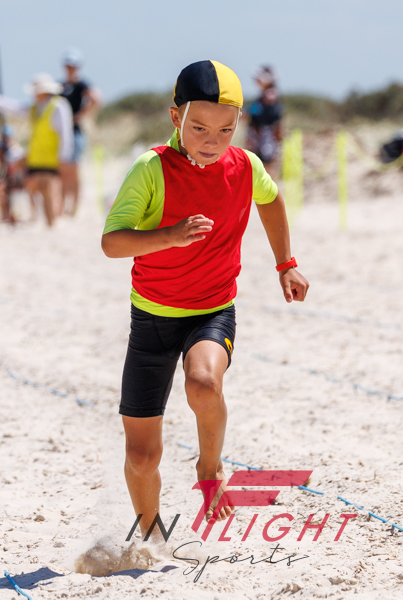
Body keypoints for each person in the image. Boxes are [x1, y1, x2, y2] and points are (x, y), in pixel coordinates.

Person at [99, 61, 309, 537]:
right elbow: (112, 242)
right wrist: (169, 236)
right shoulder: (151, 168)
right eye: (199, 128)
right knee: (141, 456)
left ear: (238, 124)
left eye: (225, 130)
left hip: (211, 311)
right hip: (151, 319)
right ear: (176, 117)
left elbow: (271, 199)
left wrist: (286, 263)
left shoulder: (246, 166)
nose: (212, 141)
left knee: (204, 383)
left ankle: (210, 467)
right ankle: (150, 537)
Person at [0, 73, 73, 227]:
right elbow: (14, 107)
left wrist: (64, 157)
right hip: (36, 158)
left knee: (49, 192)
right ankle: (45, 222)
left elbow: (65, 134)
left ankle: (52, 223)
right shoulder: (36, 108)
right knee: (36, 190)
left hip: (51, 158)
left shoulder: (58, 106)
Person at [60, 48, 101, 217]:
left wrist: (80, 115)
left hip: (75, 132)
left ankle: (74, 208)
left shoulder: (81, 84)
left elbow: (96, 98)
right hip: (62, 134)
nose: (70, 68)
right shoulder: (61, 86)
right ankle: (63, 206)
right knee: (63, 172)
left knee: (74, 171)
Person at [245, 66, 283, 178]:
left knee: (265, 164)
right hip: (260, 135)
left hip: (265, 136)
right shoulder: (263, 96)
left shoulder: (270, 95)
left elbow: (272, 117)